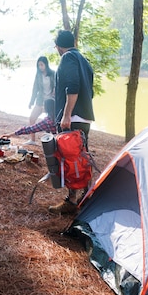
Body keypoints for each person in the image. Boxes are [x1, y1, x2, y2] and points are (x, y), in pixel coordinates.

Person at [49, 29, 95, 215]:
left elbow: (73, 87)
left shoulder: (67, 58)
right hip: (84, 116)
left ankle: (72, 200)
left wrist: (66, 115)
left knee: (72, 159)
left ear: (58, 46)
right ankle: (87, 195)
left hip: (73, 117)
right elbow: (89, 91)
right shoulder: (84, 60)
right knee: (82, 156)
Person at [26, 56, 55, 145]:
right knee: (32, 118)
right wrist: (31, 101)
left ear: (46, 64)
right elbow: (35, 89)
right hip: (40, 101)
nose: (40, 67)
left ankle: (52, 143)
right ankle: (32, 140)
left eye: (42, 65)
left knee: (51, 124)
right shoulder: (38, 75)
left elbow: (57, 86)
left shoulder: (53, 74)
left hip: (51, 102)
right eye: (39, 65)